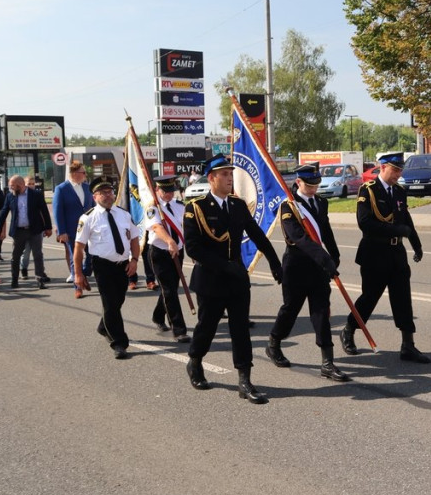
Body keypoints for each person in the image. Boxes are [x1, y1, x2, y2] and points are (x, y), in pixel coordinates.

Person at [182, 155, 283, 401]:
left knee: (240, 330)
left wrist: (274, 261)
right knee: (207, 327)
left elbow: (257, 234)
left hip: (237, 280)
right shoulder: (196, 208)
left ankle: (245, 380)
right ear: (212, 178)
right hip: (211, 279)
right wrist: (226, 267)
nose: (229, 178)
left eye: (231, 174)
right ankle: (195, 361)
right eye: (224, 174)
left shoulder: (237, 205)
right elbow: (193, 249)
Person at [339, 151, 430, 363]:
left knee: (403, 299)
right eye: (395, 170)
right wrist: (397, 230)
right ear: (383, 168)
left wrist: (416, 245)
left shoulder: (399, 192)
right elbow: (365, 223)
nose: (398, 174)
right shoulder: (368, 190)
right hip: (374, 254)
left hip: (396, 255)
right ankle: (349, 330)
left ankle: (408, 345)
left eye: (400, 170)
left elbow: (406, 220)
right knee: (369, 298)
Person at [266, 164, 350, 382]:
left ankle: (327, 362)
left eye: (316, 185)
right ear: (298, 182)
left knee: (321, 312)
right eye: (309, 185)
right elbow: (298, 238)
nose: (313, 189)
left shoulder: (321, 202)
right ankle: (274, 343)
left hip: (318, 268)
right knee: (290, 310)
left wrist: (334, 254)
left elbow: (326, 231)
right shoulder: (289, 206)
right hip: (296, 266)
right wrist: (325, 258)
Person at [73, 177, 141, 359]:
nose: (107, 195)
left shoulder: (124, 214)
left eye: (109, 191)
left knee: (118, 301)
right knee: (110, 304)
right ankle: (119, 343)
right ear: (94, 197)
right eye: (102, 193)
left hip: (123, 265)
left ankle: (104, 326)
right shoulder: (88, 218)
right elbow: (78, 248)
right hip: (102, 265)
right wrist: (78, 274)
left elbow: (134, 238)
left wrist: (134, 260)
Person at [143, 175, 190, 343]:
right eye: (165, 191)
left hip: (178, 251)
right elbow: (156, 227)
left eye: (171, 191)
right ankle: (179, 330)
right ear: (157, 190)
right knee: (170, 290)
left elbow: (186, 227)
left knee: (169, 287)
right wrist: (169, 241)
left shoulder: (179, 206)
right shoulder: (153, 208)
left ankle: (157, 316)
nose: (169, 195)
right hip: (160, 252)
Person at [0, 175, 53, 289]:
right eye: (10, 186)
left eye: (13, 186)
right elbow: (3, 214)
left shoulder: (36, 195)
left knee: (37, 255)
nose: (11, 189)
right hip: (19, 231)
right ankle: (14, 280)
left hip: (34, 230)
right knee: (15, 256)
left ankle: (40, 280)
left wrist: (48, 227)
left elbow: (44, 211)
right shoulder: (10, 196)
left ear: (20, 185)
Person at [53, 161, 94, 297]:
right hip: (70, 230)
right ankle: (78, 287)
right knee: (74, 257)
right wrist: (61, 231)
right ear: (74, 174)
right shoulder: (61, 189)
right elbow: (58, 211)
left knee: (92, 254)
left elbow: (93, 208)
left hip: (89, 228)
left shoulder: (88, 187)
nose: (85, 175)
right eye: (83, 172)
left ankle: (84, 273)